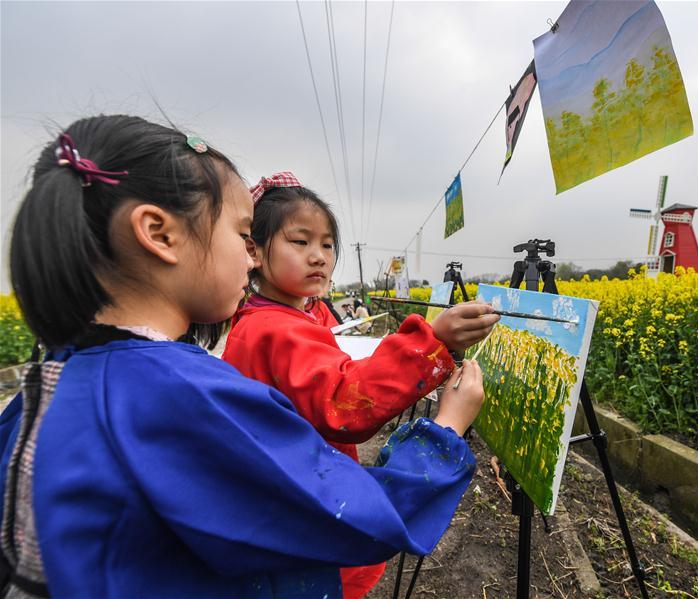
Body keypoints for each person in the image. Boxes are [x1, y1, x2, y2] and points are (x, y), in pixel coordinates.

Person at [1, 116, 486, 599]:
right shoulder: (185, 397)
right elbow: (351, 514)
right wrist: (445, 431)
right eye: (241, 236)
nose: (251, 259)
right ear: (159, 234)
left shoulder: (46, 389)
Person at [222, 173, 499, 598]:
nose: (318, 257)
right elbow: (343, 401)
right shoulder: (275, 329)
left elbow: (327, 370)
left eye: (327, 245)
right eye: (300, 242)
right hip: (307, 517)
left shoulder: (282, 316)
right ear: (254, 251)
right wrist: (431, 341)